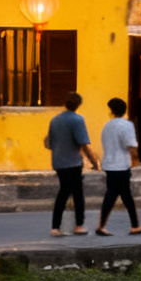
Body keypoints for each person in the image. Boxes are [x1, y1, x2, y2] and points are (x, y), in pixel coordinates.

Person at [45, 92, 94, 235]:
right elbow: (83, 143)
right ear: (78, 105)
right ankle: (78, 225)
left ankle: (56, 226)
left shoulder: (55, 120)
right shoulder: (78, 120)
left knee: (64, 192)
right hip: (73, 162)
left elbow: (48, 143)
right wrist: (93, 161)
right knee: (77, 194)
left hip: (58, 161)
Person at [95, 97, 141, 235]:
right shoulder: (127, 125)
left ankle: (133, 225)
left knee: (120, 195)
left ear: (111, 111)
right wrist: (135, 160)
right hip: (121, 165)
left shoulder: (107, 126)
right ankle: (104, 226)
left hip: (110, 165)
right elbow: (131, 145)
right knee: (119, 196)